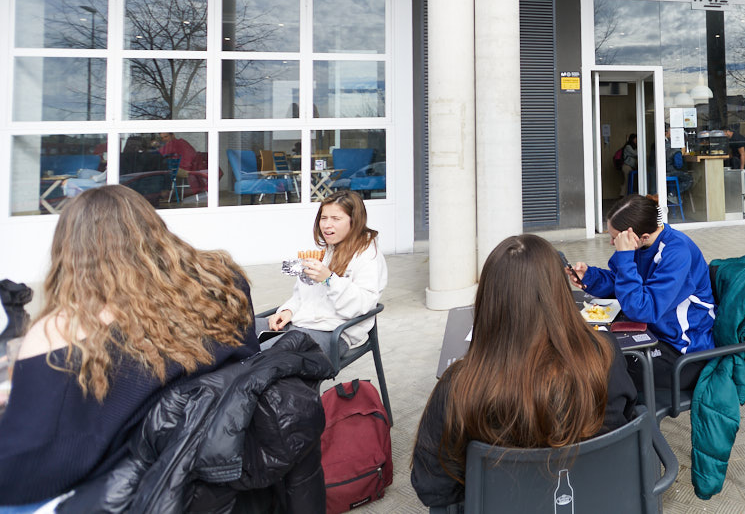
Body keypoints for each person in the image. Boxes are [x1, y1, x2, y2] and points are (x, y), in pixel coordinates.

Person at [0, 185, 258, 509]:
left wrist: (27, 395)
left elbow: (32, 463)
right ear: (153, 227)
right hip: (206, 460)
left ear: (71, 252)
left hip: (119, 488)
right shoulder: (225, 284)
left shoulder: (62, 330)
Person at [411, 234, 637, 508]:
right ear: (561, 296)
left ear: (489, 301)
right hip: (597, 503)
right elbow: (624, 431)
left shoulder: (459, 386)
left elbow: (433, 488)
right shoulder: (604, 356)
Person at [569, 194, 715, 391]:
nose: (613, 243)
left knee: (604, 370)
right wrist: (590, 276)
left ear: (643, 237)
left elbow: (644, 309)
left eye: (615, 238)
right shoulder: (641, 245)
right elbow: (619, 281)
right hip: (654, 334)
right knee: (592, 355)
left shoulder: (677, 252)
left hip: (683, 353)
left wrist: (626, 256)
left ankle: (624, 420)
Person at [258, 190, 386, 363]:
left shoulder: (368, 256)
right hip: (301, 323)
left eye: (336, 219)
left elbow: (361, 305)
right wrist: (288, 310)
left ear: (354, 221)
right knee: (236, 332)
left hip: (332, 333)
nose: (326, 225)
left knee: (262, 356)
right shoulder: (327, 251)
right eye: (324, 218)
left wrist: (329, 279)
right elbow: (302, 295)